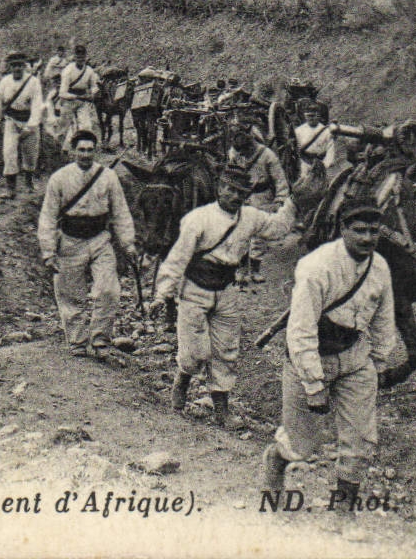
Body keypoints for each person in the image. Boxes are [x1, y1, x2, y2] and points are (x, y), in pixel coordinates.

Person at [260, 193, 396, 511]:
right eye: (359, 230)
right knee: (301, 447)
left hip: (355, 358)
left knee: (360, 443)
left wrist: (378, 362)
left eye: (373, 231)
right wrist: (314, 384)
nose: (367, 238)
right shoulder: (316, 267)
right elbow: (300, 330)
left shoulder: (379, 267)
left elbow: (383, 318)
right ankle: (275, 460)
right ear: (342, 229)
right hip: (310, 359)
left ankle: (343, 512)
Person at [153, 165, 297, 426]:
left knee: (226, 350)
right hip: (195, 288)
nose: (234, 195)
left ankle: (222, 410)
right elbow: (177, 259)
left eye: (240, 192)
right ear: (219, 188)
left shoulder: (250, 217)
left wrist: (294, 202)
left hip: (227, 290)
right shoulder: (199, 219)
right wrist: (162, 295)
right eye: (229, 189)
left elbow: (278, 228)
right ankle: (182, 382)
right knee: (195, 352)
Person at [38, 129, 136, 358]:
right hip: (70, 241)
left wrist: (128, 243)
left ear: (96, 151)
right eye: (81, 150)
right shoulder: (59, 178)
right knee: (70, 294)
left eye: (90, 150)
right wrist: (48, 251)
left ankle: (100, 339)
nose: (85, 154)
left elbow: (120, 212)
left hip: (100, 239)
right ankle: (77, 341)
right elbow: (48, 216)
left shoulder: (108, 177)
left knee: (109, 290)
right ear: (73, 151)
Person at [224, 122, 291, 286]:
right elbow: (230, 175)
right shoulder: (234, 154)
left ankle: (255, 269)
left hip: (262, 197)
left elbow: (280, 179)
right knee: (240, 232)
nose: (243, 153)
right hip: (242, 197)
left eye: (246, 149)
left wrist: (280, 199)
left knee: (259, 234)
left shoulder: (267, 155)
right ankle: (241, 269)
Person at [0, 51, 44, 198]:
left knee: (30, 154)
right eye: (14, 66)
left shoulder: (33, 82)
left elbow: (37, 106)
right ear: (10, 67)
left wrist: (30, 127)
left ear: (24, 66)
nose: (17, 68)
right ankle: (10, 188)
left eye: (20, 65)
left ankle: (29, 183)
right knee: (9, 153)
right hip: (11, 121)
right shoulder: (5, 82)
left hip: (29, 121)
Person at [57, 44, 101, 145]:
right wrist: (76, 96)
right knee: (63, 128)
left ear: (85, 57)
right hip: (68, 101)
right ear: (75, 57)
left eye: (82, 57)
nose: (80, 59)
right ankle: (59, 149)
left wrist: (93, 93)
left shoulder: (89, 70)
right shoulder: (68, 70)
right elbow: (62, 92)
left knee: (86, 126)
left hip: (82, 101)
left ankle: (82, 147)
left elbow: (94, 86)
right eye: (78, 57)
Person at [292, 101, 335, 180]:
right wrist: (302, 164)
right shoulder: (298, 131)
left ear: (318, 116)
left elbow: (330, 150)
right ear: (305, 116)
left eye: (313, 116)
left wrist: (324, 165)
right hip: (305, 163)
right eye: (308, 116)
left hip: (321, 163)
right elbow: (296, 150)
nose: (311, 118)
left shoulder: (326, 131)